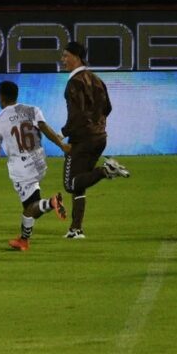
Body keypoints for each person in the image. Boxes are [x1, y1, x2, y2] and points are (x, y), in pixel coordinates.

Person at [0, 81, 70, 251]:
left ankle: (51, 203)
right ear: (16, 95)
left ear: (0, 97)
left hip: (21, 169)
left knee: (29, 209)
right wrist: (62, 146)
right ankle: (24, 239)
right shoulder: (32, 110)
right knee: (31, 206)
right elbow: (44, 128)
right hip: (39, 162)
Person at [59, 42, 130, 239]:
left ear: (77, 57)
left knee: (70, 184)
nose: (63, 60)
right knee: (79, 184)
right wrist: (98, 125)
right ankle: (76, 229)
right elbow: (107, 108)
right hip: (100, 137)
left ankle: (105, 170)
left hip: (83, 138)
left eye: (66, 56)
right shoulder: (97, 79)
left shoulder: (75, 82)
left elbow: (78, 114)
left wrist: (63, 132)